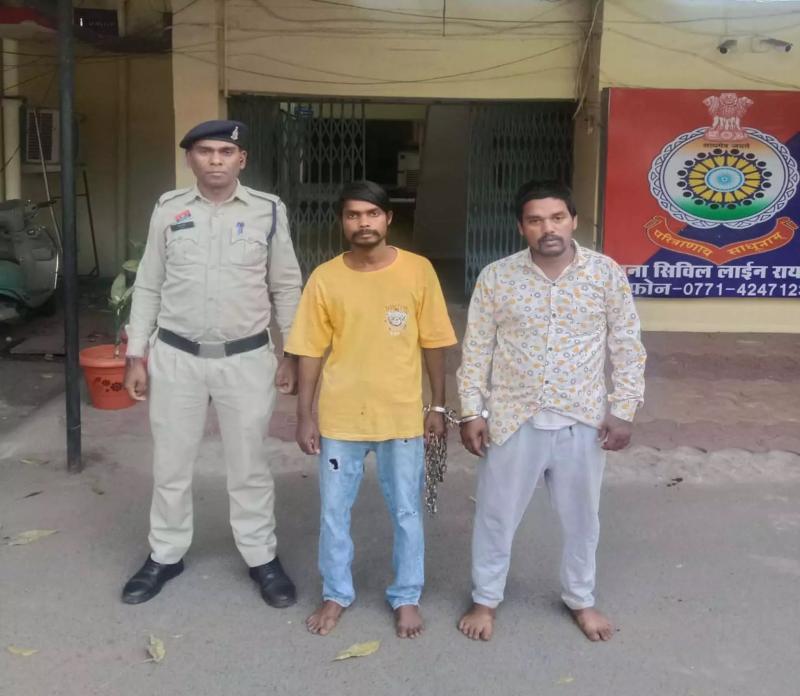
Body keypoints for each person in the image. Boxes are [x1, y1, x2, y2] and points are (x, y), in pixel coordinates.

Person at [121, 119, 302, 608]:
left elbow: (286, 285)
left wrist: (293, 354)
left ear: (242, 159)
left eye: (225, 151)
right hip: (176, 356)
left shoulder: (267, 210)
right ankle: (165, 554)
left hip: (245, 359)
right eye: (205, 151)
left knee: (249, 466)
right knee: (171, 464)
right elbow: (149, 284)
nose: (216, 160)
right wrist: (136, 354)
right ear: (190, 159)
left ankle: (261, 556)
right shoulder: (168, 209)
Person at [456, 180, 646, 642]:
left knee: (582, 519)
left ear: (574, 221)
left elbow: (626, 344)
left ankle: (581, 598)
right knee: (496, 516)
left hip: (582, 419)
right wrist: (471, 411)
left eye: (557, 217)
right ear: (521, 227)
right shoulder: (497, 277)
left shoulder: (605, 274)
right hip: (513, 417)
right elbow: (477, 348)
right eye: (536, 220)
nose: (548, 228)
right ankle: (485, 599)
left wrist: (623, 409)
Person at [285, 181, 457, 638]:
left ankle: (407, 595)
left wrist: (438, 406)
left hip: (401, 417)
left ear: (388, 219)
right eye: (353, 215)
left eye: (372, 214)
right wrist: (305, 415)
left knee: (406, 511)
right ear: (342, 222)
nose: (363, 223)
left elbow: (434, 342)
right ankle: (336, 593)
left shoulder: (418, 271)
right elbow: (310, 350)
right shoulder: (325, 278)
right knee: (333, 512)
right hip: (341, 418)